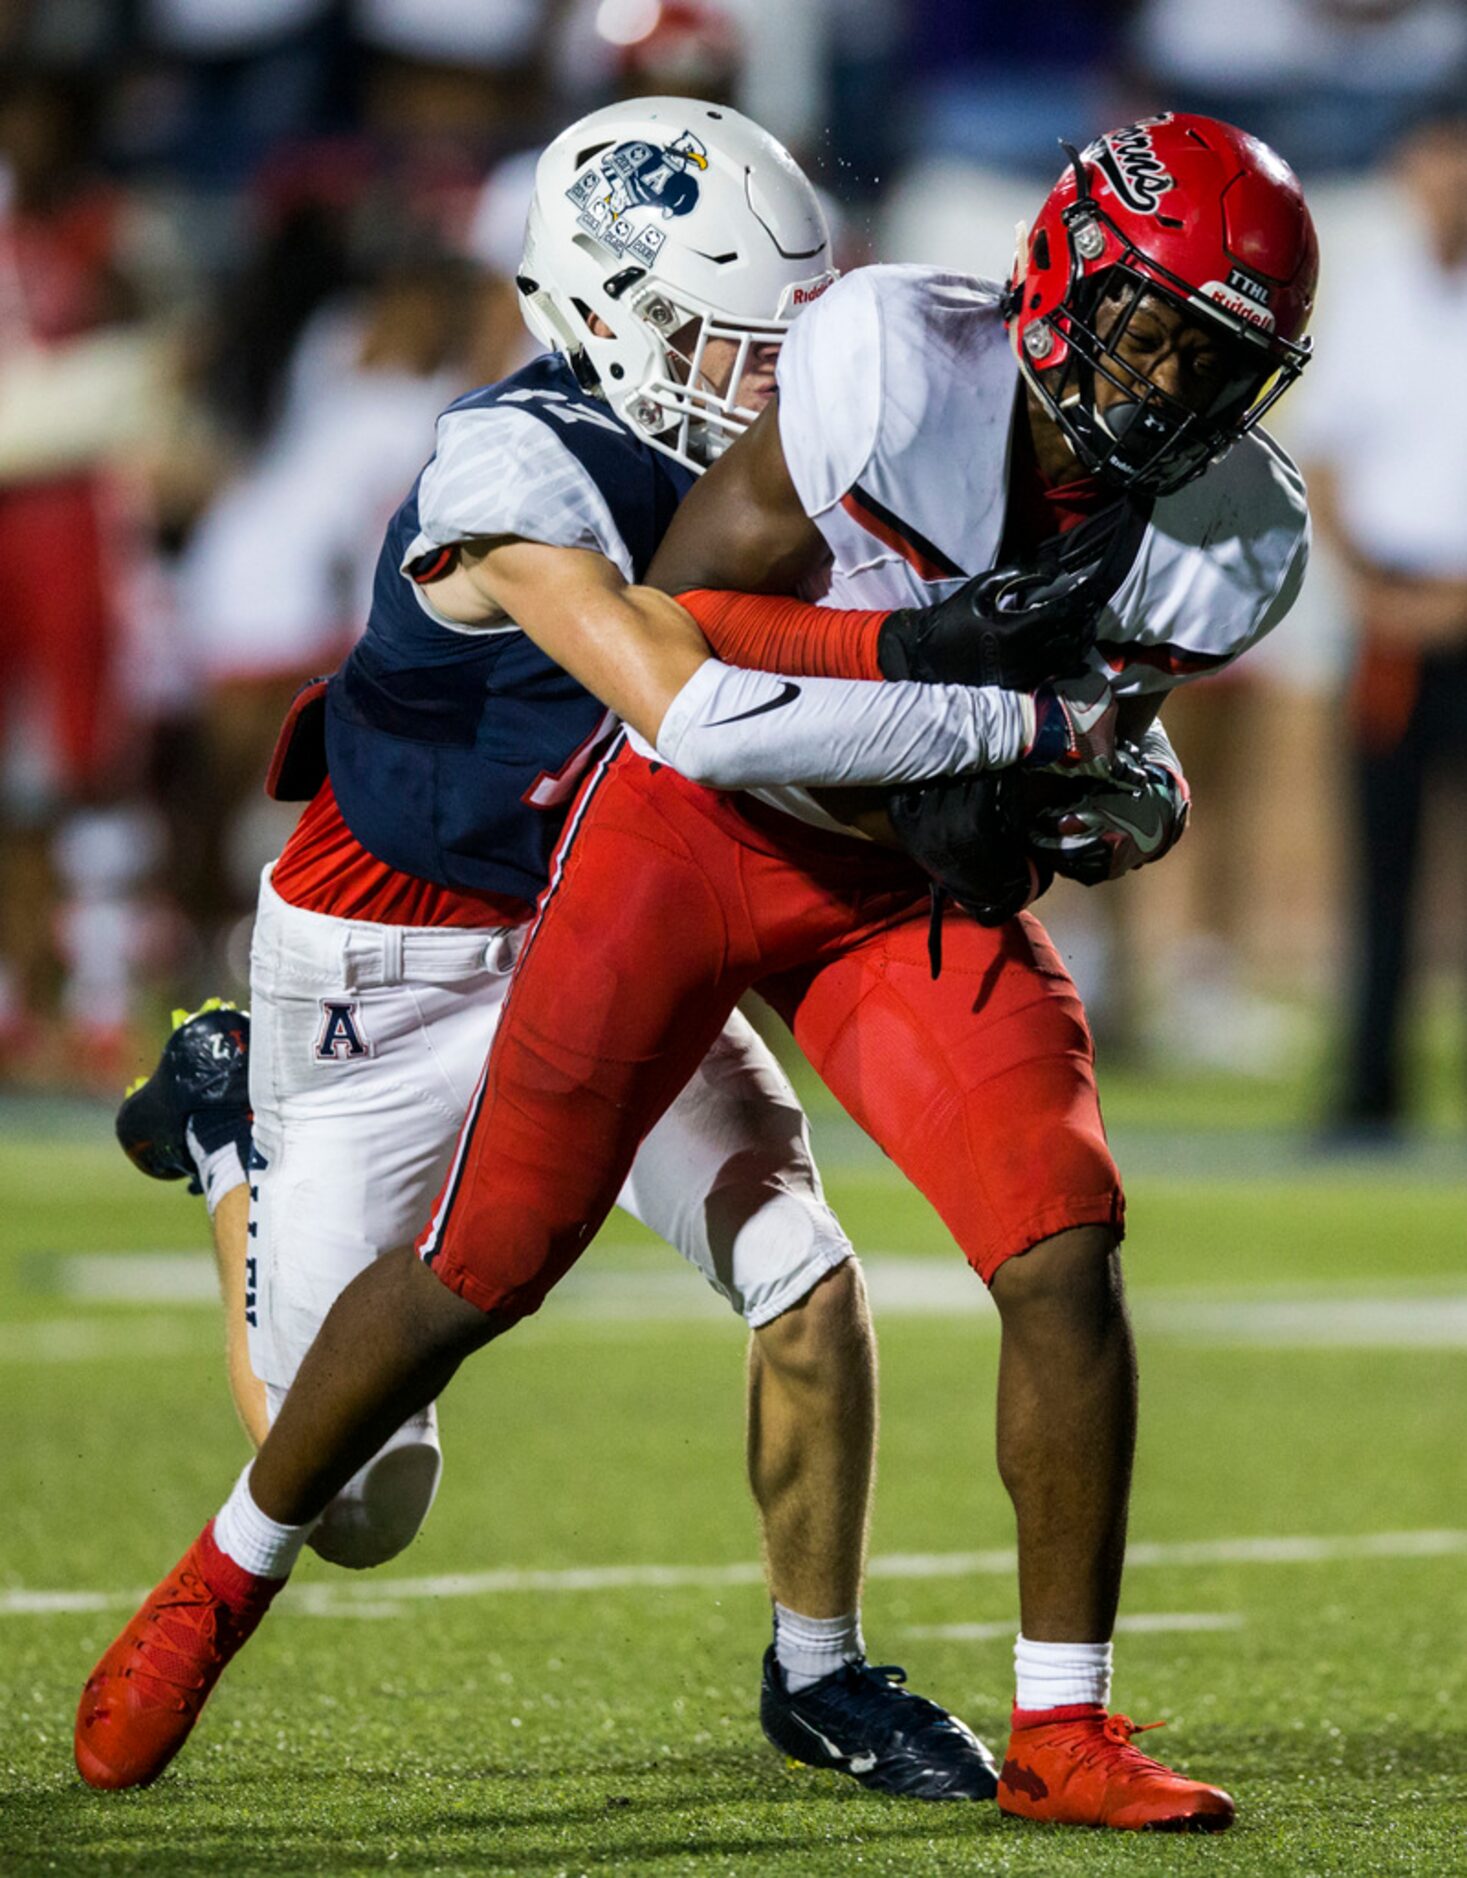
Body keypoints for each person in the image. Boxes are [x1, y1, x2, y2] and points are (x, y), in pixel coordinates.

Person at [79, 112, 1313, 1833]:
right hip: (427, 938)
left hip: (786, 878)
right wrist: (992, 700)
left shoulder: (1202, 523)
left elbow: (1094, 747)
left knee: (960, 1247)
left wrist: (1081, 803)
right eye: (736, 339)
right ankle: (223, 1515)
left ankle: (892, 1684)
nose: (768, 373)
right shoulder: (518, 465)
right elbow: (694, 694)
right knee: (430, 1372)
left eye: (1218, 363)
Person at [1293, 108, 1467, 1136]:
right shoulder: (1375, 299)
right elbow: (1329, 460)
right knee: (1382, 858)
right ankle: (1369, 1082)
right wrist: (1373, 590)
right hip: (1394, 615)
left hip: (1451, 597)